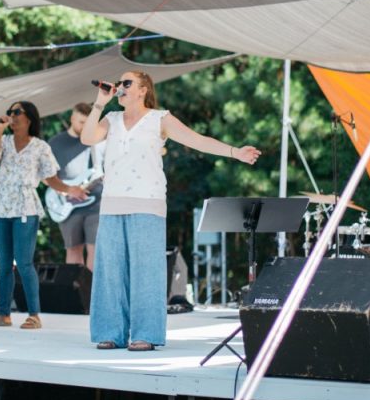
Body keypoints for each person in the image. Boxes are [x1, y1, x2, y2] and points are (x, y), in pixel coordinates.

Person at [80, 72, 260, 351]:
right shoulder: (111, 118)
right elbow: (87, 138)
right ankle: (111, 332)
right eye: (120, 83)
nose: (121, 87)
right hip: (113, 203)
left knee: (147, 272)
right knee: (110, 271)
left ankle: (145, 334)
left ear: (143, 90)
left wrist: (235, 152)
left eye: (127, 83)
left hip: (147, 202)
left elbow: (197, 140)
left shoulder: (159, 119)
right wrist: (100, 103)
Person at [0, 101, 88, 329]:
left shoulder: (40, 147)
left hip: (26, 208)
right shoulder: (4, 141)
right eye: (10, 112)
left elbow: (51, 179)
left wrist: (70, 190)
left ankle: (34, 315)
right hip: (1, 206)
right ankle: (4, 315)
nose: (11, 115)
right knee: (4, 265)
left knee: (24, 263)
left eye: (16, 112)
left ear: (29, 118)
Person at [47, 102, 104, 271]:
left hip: (96, 204)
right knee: (73, 250)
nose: (85, 127)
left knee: (96, 250)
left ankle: (92, 287)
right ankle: (75, 286)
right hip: (67, 206)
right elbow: (44, 175)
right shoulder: (55, 143)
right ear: (72, 118)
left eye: (88, 123)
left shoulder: (98, 141)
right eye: (81, 122)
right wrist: (65, 190)